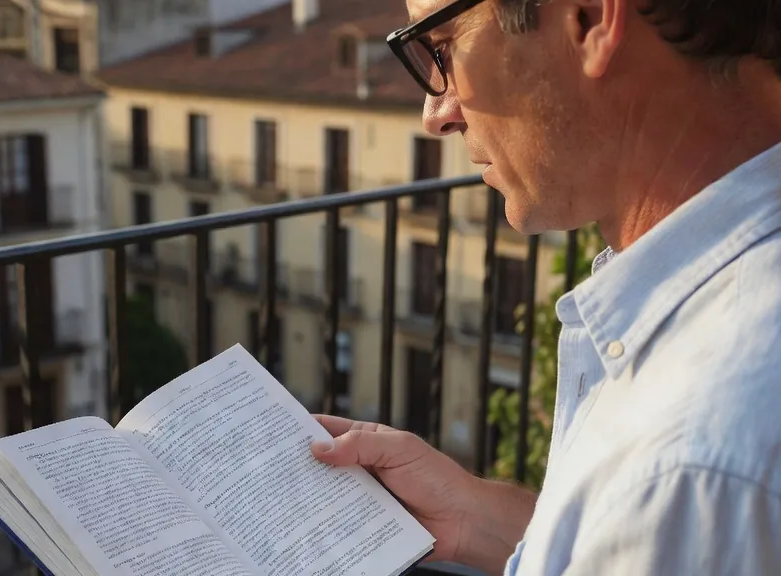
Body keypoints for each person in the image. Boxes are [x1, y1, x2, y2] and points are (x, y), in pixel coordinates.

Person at [310, 0, 781, 574]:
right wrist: (481, 517)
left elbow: (671, 504)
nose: (436, 113)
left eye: (442, 49)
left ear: (589, 19)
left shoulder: (682, 467)